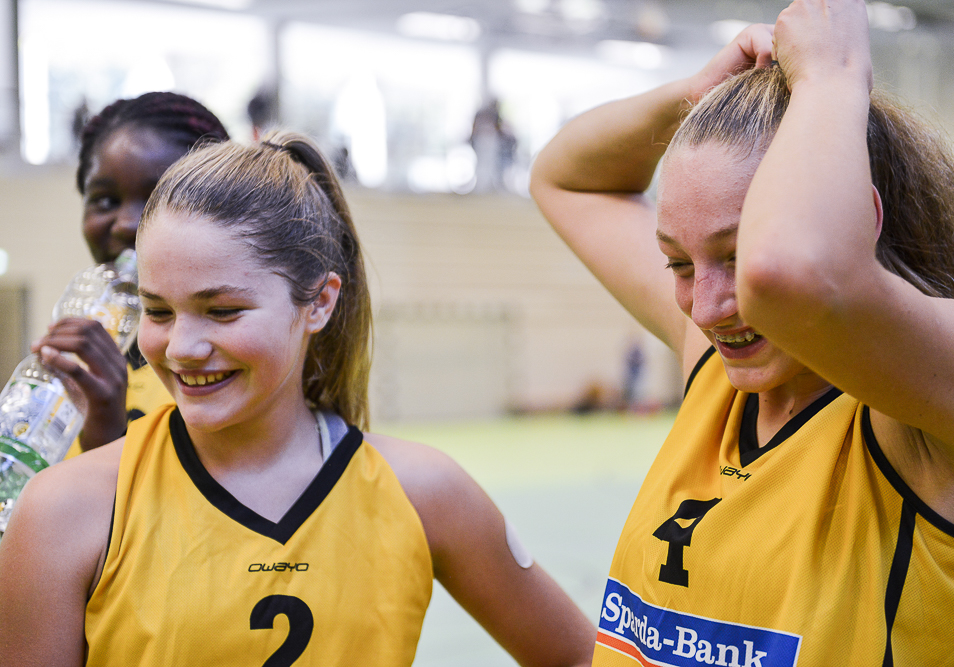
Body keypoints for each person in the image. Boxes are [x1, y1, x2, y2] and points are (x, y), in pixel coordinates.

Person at [0, 130, 596, 667]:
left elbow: (579, 656)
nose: (180, 347)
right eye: (158, 311)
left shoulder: (425, 492)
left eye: (222, 310)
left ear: (320, 302)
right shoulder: (65, 510)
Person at [530, 1, 954, 664]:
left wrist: (834, 73)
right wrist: (694, 97)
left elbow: (794, 279)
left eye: (738, 254)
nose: (706, 307)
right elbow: (566, 180)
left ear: (861, 221)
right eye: (678, 264)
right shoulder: (715, 371)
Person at [35, 92, 229, 454]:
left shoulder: (224, 360)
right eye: (105, 200)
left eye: (156, 199)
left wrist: (107, 433)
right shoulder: (83, 350)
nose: (126, 223)